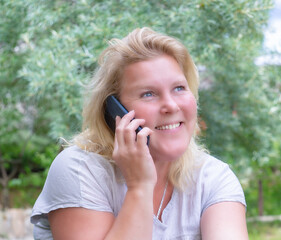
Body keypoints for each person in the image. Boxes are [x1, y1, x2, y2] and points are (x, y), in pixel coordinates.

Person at [31, 27, 248, 240]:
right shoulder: (78, 170)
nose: (171, 106)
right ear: (113, 111)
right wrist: (139, 188)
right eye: (148, 94)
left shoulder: (213, 178)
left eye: (179, 88)